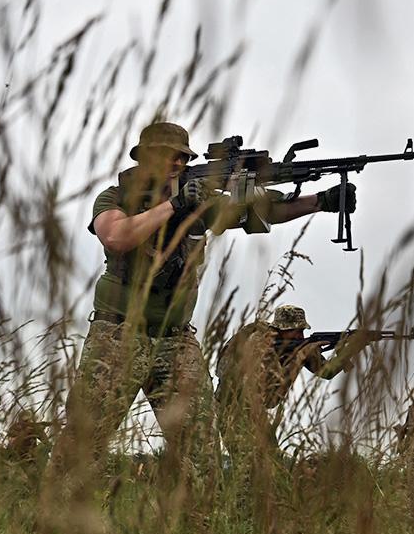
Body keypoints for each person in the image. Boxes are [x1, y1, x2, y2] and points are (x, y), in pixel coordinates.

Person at [51, 122, 356, 488]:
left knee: (202, 456)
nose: (176, 163)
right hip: (119, 334)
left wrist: (319, 202)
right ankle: (48, 530)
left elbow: (262, 210)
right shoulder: (116, 198)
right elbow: (117, 236)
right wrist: (175, 205)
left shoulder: (202, 204)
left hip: (177, 341)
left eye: (182, 157)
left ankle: (195, 532)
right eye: (167, 155)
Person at [214, 305, 369, 463]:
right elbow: (270, 399)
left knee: (273, 466)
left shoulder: (295, 345)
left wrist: (348, 350)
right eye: (297, 331)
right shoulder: (260, 343)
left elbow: (326, 372)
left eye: (303, 331)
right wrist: (299, 358)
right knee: (250, 467)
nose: (301, 336)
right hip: (232, 411)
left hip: (255, 413)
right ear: (283, 329)